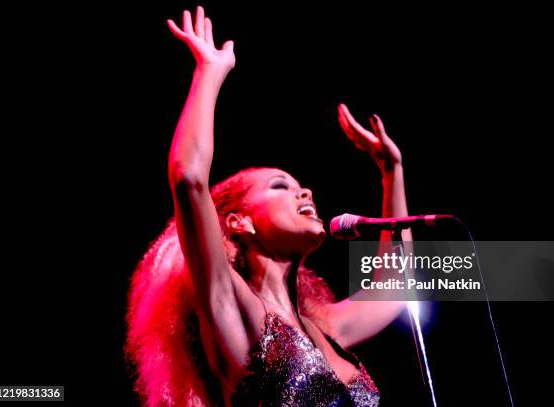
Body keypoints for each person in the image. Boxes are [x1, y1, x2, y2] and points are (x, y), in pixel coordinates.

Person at [125, 5, 412, 406]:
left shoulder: (323, 328)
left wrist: (391, 172)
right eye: (281, 186)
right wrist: (209, 71)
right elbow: (189, 179)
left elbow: (395, 287)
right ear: (239, 222)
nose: (306, 193)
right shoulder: (235, 310)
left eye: (301, 186)